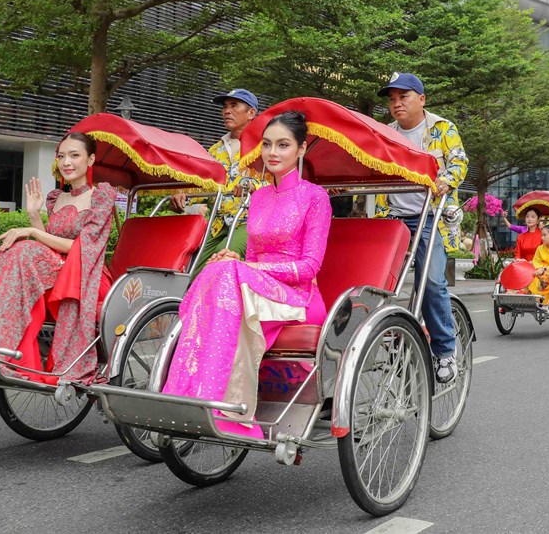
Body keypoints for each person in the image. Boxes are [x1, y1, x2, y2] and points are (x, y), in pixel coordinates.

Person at [162, 111, 331, 439]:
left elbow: (309, 267)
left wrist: (249, 268)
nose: (273, 153)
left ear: (301, 150)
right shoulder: (259, 196)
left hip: (298, 296)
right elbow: (252, 255)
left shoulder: (315, 197)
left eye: (283, 145)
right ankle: (186, 392)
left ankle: (229, 411)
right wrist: (237, 258)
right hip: (258, 288)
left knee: (225, 273)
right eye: (267, 145)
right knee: (216, 267)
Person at [0, 133, 116, 384]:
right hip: (56, 269)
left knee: (25, 249)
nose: (66, 162)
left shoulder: (101, 196)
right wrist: (34, 215)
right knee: (10, 251)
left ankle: (5, 350)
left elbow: (84, 248)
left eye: (74, 155)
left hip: (85, 274)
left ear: (91, 159)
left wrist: (32, 231)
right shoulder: (58, 198)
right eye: (62, 156)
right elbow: (49, 243)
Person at [373, 72, 468, 384]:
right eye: (392, 98)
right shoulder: (385, 133)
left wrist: (446, 180)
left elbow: (459, 163)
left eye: (404, 97)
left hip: (431, 217)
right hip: (393, 219)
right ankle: (382, 336)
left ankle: (445, 351)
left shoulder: (442, 128)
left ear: (422, 99)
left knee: (430, 281)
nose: (397, 103)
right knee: (373, 279)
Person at [170, 89, 272, 275]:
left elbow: (279, 183)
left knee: (219, 261)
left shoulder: (264, 146)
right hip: (218, 223)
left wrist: (252, 186)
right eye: (224, 107)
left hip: (250, 221)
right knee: (190, 270)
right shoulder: (215, 150)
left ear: (251, 113)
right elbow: (202, 182)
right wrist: (182, 195)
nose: (227, 111)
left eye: (234, 105)